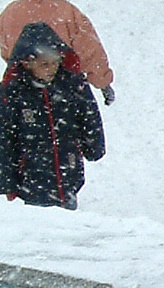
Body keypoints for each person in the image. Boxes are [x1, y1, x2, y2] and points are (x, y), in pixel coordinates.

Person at [0, 21, 103, 209]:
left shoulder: (72, 85)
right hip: (30, 176)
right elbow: (4, 137)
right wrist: (7, 182)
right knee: (40, 229)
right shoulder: (14, 92)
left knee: (67, 220)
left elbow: (89, 115)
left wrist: (93, 145)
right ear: (26, 63)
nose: (51, 69)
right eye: (44, 64)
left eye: (55, 63)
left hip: (68, 170)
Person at [0, 0, 113, 104]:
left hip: (23, 86)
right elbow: (88, 47)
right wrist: (102, 81)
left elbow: (6, 51)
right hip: (63, 81)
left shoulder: (10, 14)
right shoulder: (66, 10)